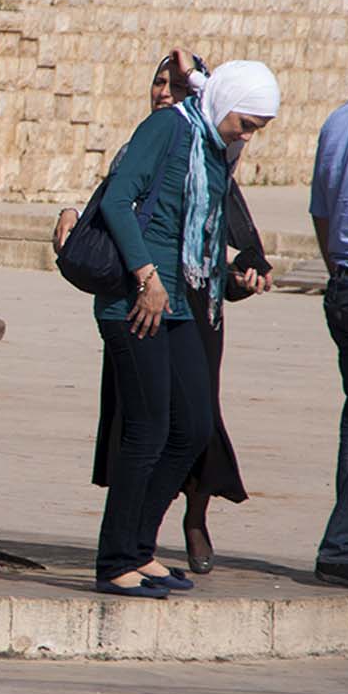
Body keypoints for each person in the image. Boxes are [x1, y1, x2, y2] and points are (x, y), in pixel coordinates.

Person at [54, 52, 274, 574]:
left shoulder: (210, 145)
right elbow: (118, 202)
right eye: (245, 124)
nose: (246, 135)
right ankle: (115, 560)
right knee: (149, 430)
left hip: (179, 302)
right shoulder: (166, 128)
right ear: (226, 105)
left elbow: (196, 233)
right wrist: (146, 278)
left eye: (257, 129)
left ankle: (140, 547)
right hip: (137, 301)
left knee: (192, 429)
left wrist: (231, 277)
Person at [310, 87, 348, 589]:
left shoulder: (342, 118)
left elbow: (322, 209)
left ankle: (347, 541)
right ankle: (346, 545)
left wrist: (341, 276)